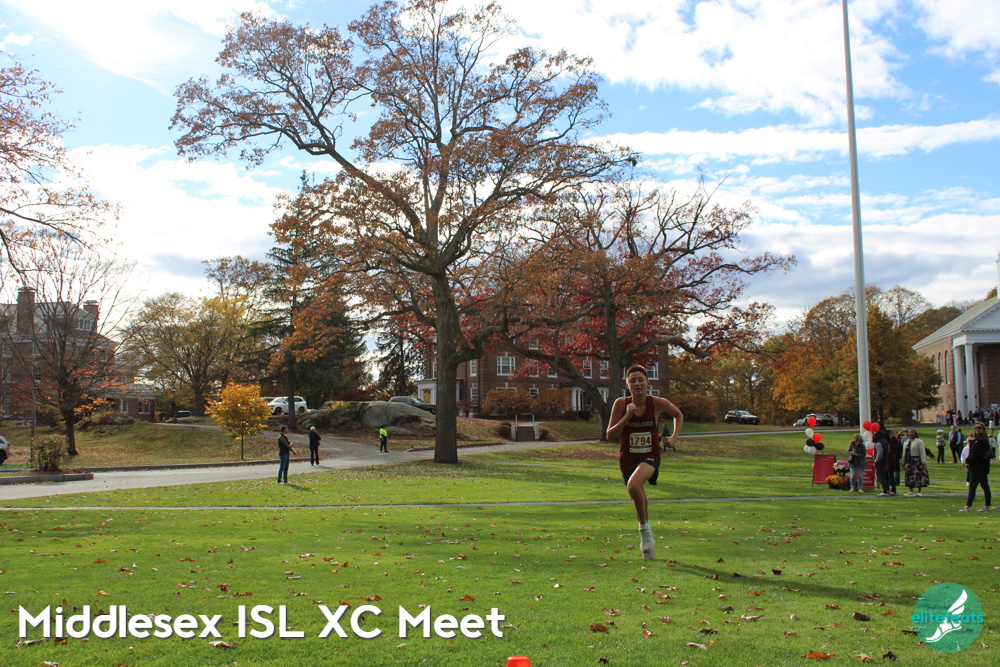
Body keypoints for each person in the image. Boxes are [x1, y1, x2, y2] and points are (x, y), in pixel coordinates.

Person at [606, 365, 683, 561]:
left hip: (650, 455)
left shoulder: (657, 403)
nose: (637, 383)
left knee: (634, 485)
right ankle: (647, 533)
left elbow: (678, 415)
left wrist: (674, 437)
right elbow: (610, 436)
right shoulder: (621, 404)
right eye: (632, 380)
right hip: (628, 457)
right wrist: (626, 416)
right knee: (637, 491)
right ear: (627, 385)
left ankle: (643, 530)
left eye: (641, 380)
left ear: (648, 383)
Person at [959, 422, 992, 512]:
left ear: (983, 429)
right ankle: (987, 506)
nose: (977, 429)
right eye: (976, 428)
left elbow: (975, 454)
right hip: (982, 467)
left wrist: (968, 461)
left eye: (979, 428)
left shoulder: (982, 441)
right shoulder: (978, 440)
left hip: (977, 467)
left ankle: (967, 506)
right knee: (985, 486)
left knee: (972, 486)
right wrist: (972, 442)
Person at [902, 428, 929, 497]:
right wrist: (903, 461)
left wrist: (923, 462)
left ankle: (919, 491)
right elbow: (904, 453)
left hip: (916, 460)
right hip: (908, 460)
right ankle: (911, 491)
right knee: (909, 475)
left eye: (912, 432)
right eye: (910, 432)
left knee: (918, 475)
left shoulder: (919, 442)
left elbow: (922, 452)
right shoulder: (906, 442)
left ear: (915, 434)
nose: (911, 433)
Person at [873, 429, 890, 496]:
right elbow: (888, 450)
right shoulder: (885, 441)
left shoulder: (878, 443)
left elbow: (879, 454)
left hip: (880, 462)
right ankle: (887, 489)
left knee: (880, 476)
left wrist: (875, 460)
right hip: (885, 460)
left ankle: (885, 490)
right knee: (885, 475)